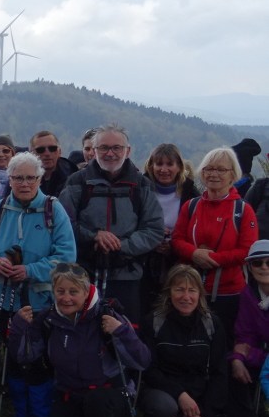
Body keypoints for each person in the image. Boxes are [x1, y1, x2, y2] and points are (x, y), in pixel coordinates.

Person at [11, 262, 150, 417]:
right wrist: (19, 327)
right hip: (70, 392)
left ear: (86, 293)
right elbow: (25, 357)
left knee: (98, 400)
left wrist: (121, 331)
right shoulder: (48, 319)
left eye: (73, 292)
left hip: (111, 392)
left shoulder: (107, 316)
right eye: (60, 291)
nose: (66, 298)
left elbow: (142, 360)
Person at [0, 151, 77, 417]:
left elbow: (67, 256)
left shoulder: (53, 210)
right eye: (18, 178)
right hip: (2, 298)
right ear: (9, 179)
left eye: (30, 177)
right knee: (12, 357)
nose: (24, 183)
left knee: (40, 360)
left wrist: (31, 270)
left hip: (42, 301)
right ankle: (21, 416)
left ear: (40, 179)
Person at [59, 124, 164, 325]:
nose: (110, 153)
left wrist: (120, 245)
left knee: (123, 332)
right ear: (94, 150)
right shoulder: (76, 182)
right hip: (83, 275)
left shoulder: (141, 185)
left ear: (128, 151)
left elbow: (154, 229)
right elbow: (63, 224)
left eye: (117, 148)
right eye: (104, 148)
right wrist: (94, 236)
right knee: (82, 332)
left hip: (127, 275)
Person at [140, 264, 228, 417]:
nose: (186, 297)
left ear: (200, 294)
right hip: (163, 393)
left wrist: (204, 415)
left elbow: (219, 372)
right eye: (179, 289)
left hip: (196, 404)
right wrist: (180, 395)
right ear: (169, 292)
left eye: (192, 290)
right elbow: (148, 369)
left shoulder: (212, 324)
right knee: (163, 407)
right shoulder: (153, 322)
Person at [170, 146, 257, 338]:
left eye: (221, 169)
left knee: (223, 343)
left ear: (233, 174)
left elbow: (247, 251)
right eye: (209, 168)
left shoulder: (243, 210)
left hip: (229, 293)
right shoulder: (191, 206)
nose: (213, 174)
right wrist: (194, 254)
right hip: (189, 291)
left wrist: (212, 259)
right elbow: (177, 239)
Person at [141, 143, 200, 310]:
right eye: (159, 164)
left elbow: (196, 230)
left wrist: (173, 245)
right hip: (145, 261)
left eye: (169, 164)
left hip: (178, 262)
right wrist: (152, 238)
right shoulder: (141, 189)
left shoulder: (191, 193)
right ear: (151, 166)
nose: (164, 169)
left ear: (179, 166)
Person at [227, 239, 269, 417]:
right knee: (233, 366)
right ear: (249, 267)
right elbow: (245, 333)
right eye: (257, 263)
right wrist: (238, 358)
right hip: (263, 354)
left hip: (262, 354)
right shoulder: (248, 294)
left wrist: (250, 354)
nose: (264, 267)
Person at [30, 129, 74, 198]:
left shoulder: (73, 178)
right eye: (40, 150)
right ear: (31, 154)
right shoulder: (22, 178)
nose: (47, 153)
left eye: (52, 148)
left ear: (59, 152)